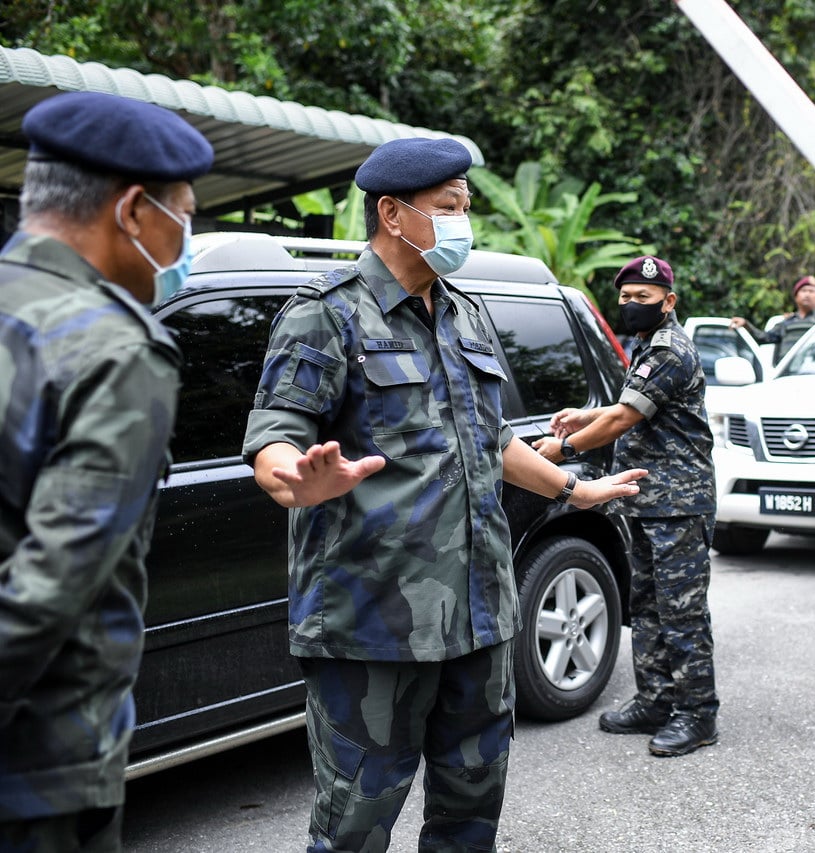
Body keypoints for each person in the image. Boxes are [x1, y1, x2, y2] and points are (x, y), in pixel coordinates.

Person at [241, 138, 646, 853]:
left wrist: (572, 488)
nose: (465, 222)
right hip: (374, 628)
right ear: (392, 214)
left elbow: (491, 441)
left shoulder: (466, 314)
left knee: (469, 820)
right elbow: (275, 434)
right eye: (450, 207)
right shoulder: (326, 314)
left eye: (467, 207)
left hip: (481, 619)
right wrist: (295, 478)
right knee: (353, 830)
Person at [0, 92, 213, 851]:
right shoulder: (115, 350)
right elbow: (50, 585)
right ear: (132, 210)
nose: (187, 237)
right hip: (38, 770)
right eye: (184, 214)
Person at [533, 255, 719, 758]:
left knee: (682, 613)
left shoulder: (670, 349)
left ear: (669, 301)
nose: (633, 306)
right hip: (646, 500)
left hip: (678, 504)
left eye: (644, 298)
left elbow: (623, 418)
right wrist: (584, 413)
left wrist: (563, 450)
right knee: (648, 607)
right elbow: (626, 405)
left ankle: (697, 714)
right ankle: (657, 700)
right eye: (626, 298)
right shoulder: (646, 346)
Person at [729, 274, 815, 365]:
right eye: (803, 291)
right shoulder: (787, 322)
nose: (807, 294)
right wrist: (746, 324)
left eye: (811, 291)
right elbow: (764, 337)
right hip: (787, 374)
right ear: (796, 297)